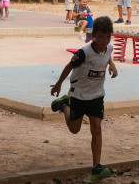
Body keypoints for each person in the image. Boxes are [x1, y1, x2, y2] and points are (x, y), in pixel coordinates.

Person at [50, 16, 118, 181]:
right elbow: (69, 66)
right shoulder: (84, 53)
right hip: (78, 95)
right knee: (74, 130)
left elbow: (107, 55)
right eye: (100, 37)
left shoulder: (109, 48)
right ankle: (65, 105)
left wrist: (112, 65)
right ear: (93, 35)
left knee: (97, 129)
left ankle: (96, 167)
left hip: (96, 96)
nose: (104, 41)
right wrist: (58, 85)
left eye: (107, 37)